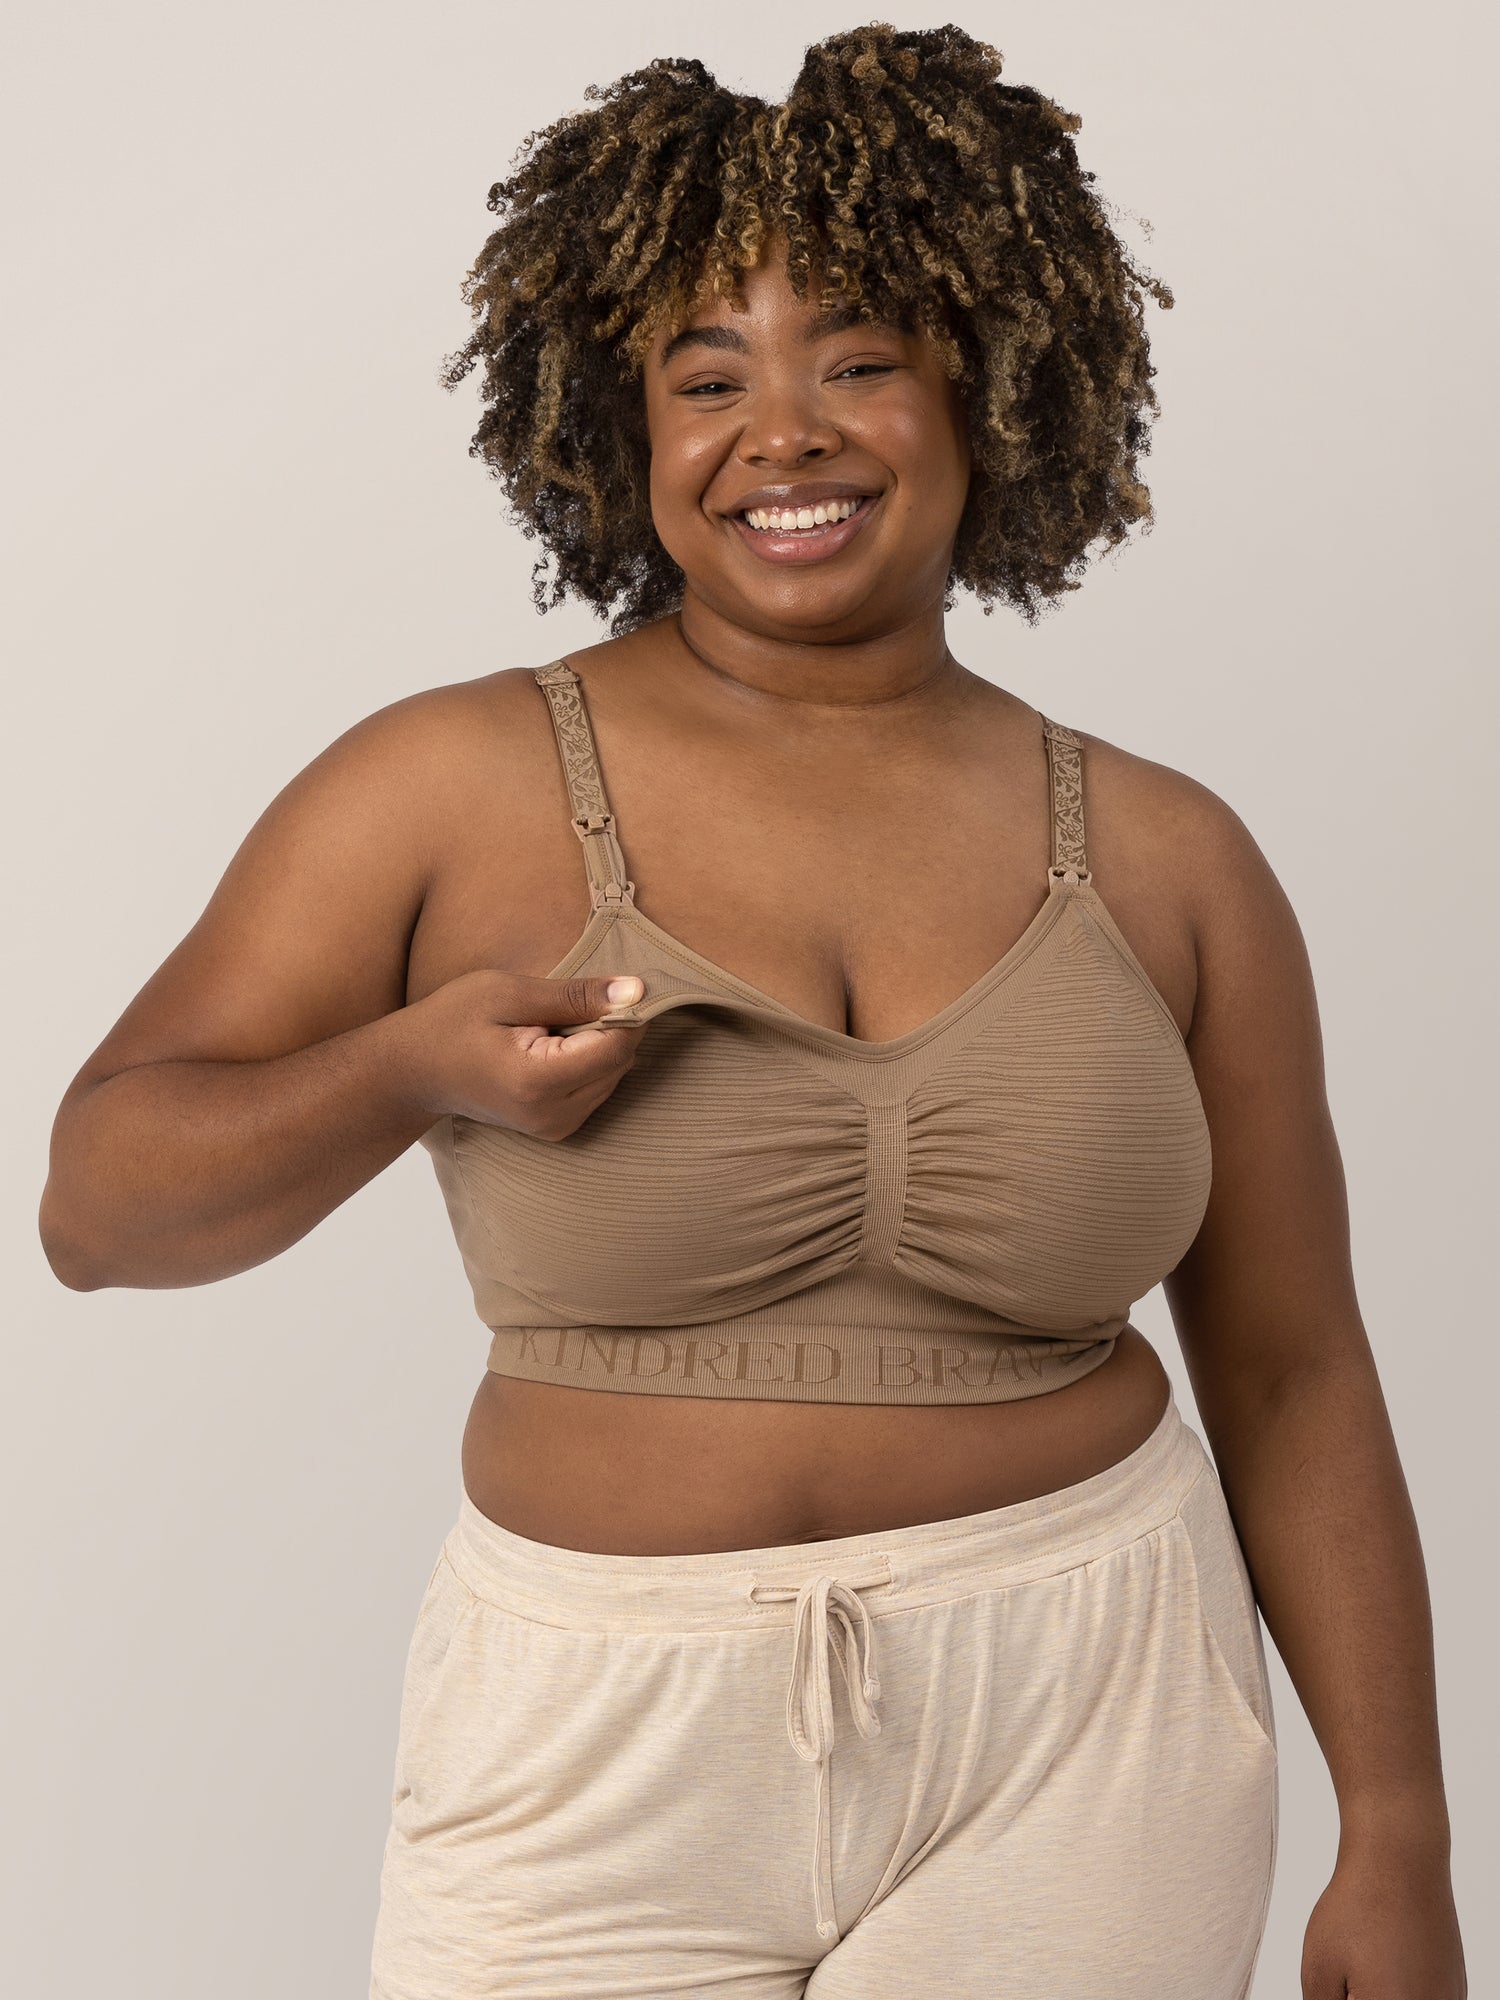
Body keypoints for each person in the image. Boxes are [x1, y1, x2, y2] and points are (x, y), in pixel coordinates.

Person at [38, 23, 1465, 2000]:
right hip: (601, 1736)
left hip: (1094, 1713)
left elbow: (1295, 1371)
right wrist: (409, 1067)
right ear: (619, 430)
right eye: (707, 379)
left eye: (859, 362)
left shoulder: (1169, 857)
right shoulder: (445, 787)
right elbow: (98, 1210)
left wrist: (1398, 1829)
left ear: (994, 386)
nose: (780, 435)